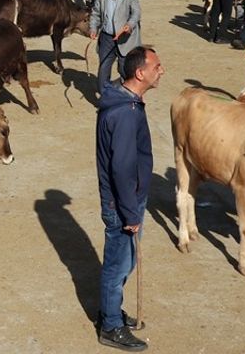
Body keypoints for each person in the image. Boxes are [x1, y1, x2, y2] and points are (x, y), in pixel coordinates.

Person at [94, 46, 161, 353]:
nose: (161, 70)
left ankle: (111, 311)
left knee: (123, 261)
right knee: (117, 265)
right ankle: (110, 326)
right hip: (123, 204)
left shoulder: (126, 103)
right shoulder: (124, 113)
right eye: (156, 66)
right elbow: (121, 168)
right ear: (140, 73)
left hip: (126, 200)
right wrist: (130, 213)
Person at [90, 0, 141, 90]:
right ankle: (105, 99)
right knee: (103, 70)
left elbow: (136, 13)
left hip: (125, 39)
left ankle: (127, 96)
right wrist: (93, 28)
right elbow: (96, 13)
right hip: (107, 38)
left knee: (124, 70)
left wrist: (129, 25)